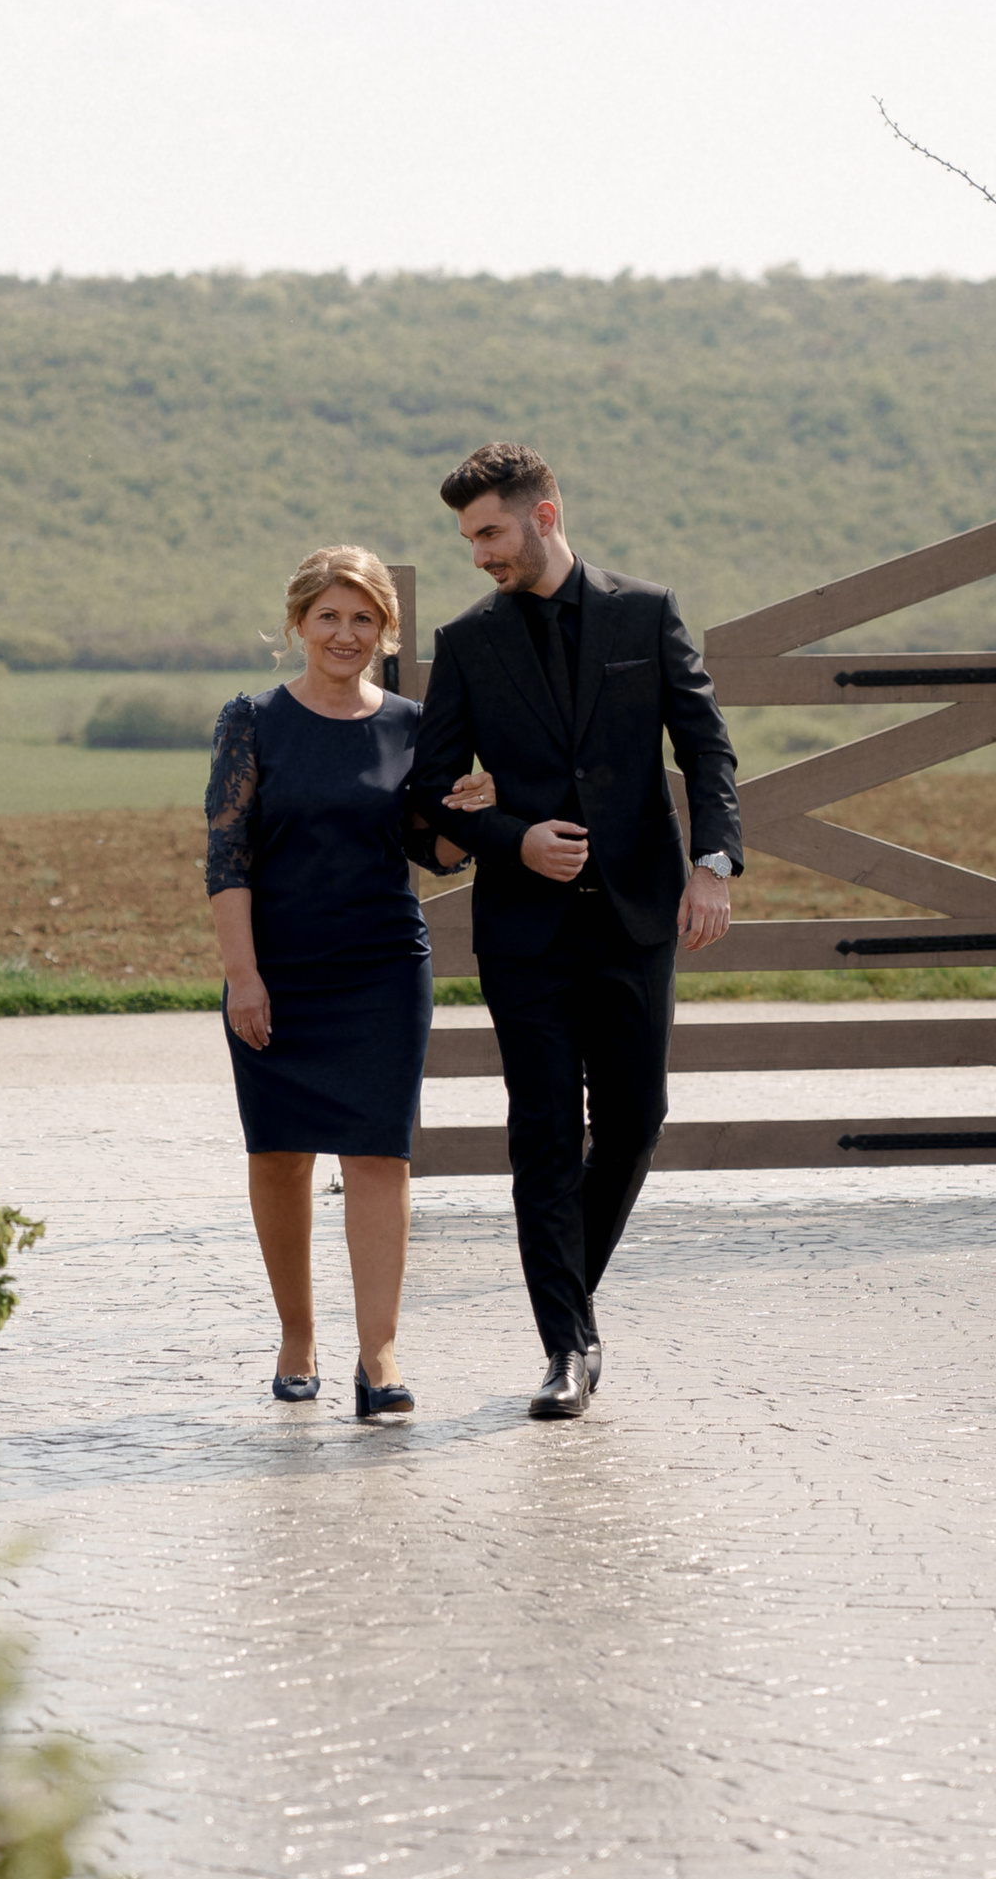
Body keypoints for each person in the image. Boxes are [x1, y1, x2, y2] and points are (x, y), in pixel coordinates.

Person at [405, 440, 741, 1422]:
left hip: (636, 917)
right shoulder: (468, 645)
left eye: (490, 532)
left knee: (636, 1121)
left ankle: (568, 1300)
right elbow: (430, 791)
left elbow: (705, 743)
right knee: (545, 1136)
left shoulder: (646, 612)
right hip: (526, 935)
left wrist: (712, 864)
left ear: (544, 512)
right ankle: (566, 1345)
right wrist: (513, 839)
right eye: (468, 538)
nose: (479, 554)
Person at [205, 546, 485, 1422]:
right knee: (280, 1155)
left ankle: (380, 1355)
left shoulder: (410, 722)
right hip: (277, 970)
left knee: (379, 1154)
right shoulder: (252, 721)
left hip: (382, 970)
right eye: (329, 615)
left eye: (363, 618)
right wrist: (243, 978)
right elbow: (226, 858)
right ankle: (297, 1337)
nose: (345, 633)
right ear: (298, 623)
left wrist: (469, 820)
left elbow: (430, 853)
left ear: (384, 630)